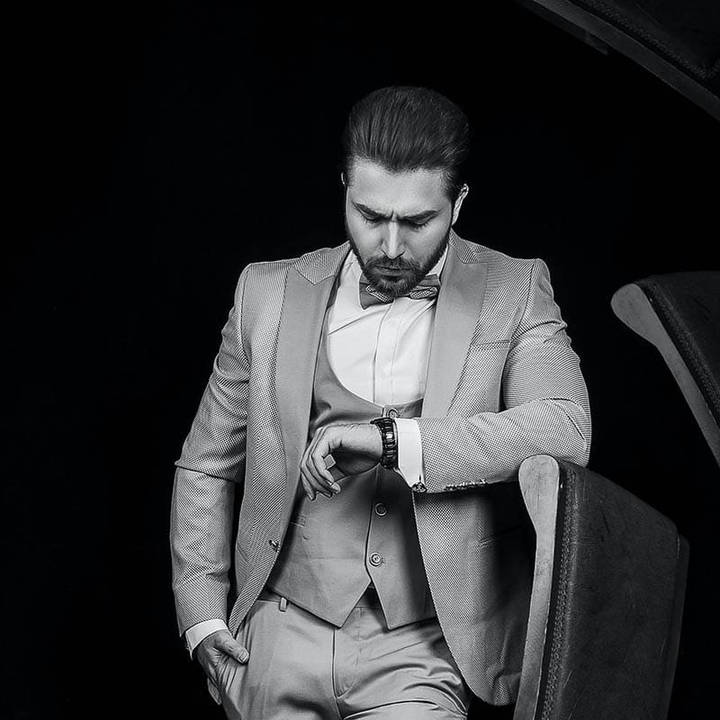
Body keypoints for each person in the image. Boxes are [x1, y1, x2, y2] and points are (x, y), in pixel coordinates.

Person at [170, 85, 591, 719]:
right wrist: (202, 614)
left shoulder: (514, 288)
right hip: (276, 636)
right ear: (344, 186)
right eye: (370, 216)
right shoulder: (267, 293)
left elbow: (565, 427)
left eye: (417, 222)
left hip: (424, 648)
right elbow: (207, 463)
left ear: (459, 202)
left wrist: (394, 442)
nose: (391, 247)